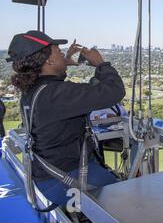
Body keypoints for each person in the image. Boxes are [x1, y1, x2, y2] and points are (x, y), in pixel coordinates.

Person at [7, 31, 126, 207]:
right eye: (59, 52)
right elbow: (115, 91)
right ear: (48, 60)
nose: (63, 53)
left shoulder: (33, 91)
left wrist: (62, 66)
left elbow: (53, 87)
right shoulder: (57, 95)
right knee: (129, 201)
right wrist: (102, 64)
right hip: (69, 177)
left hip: (49, 176)